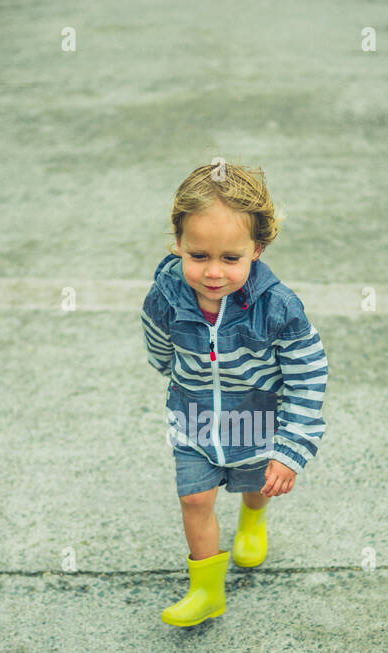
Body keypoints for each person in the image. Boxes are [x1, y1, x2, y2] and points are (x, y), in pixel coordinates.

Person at [140, 160, 328, 627]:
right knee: (195, 499)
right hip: (194, 418)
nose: (213, 273)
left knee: (255, 485)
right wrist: (168, 368)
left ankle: (253, 518)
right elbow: (156, 336)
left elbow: (308, 375)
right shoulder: (166, 294)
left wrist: (289, 450)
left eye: (231, 258)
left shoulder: (279, 308)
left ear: (256, 250)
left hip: (257, 420)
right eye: (198, 255)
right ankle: (207, 592)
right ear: (178, 242)